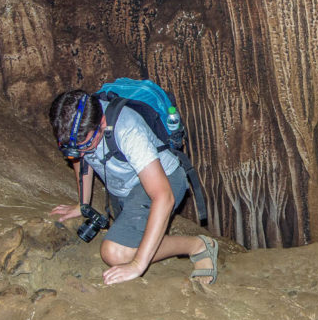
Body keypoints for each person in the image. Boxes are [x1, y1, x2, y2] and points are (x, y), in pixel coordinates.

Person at [48, 90, 218, 286]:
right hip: (126, 188)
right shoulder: (77, 128)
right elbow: (79, 159)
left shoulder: (128, 130)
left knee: (115, 252)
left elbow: (163, 197)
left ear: (102, 122)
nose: (79, 152)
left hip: (163, 180)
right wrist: (82, 204)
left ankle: (197, 245)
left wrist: (137, 265)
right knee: (128, 238)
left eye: (86, 144)